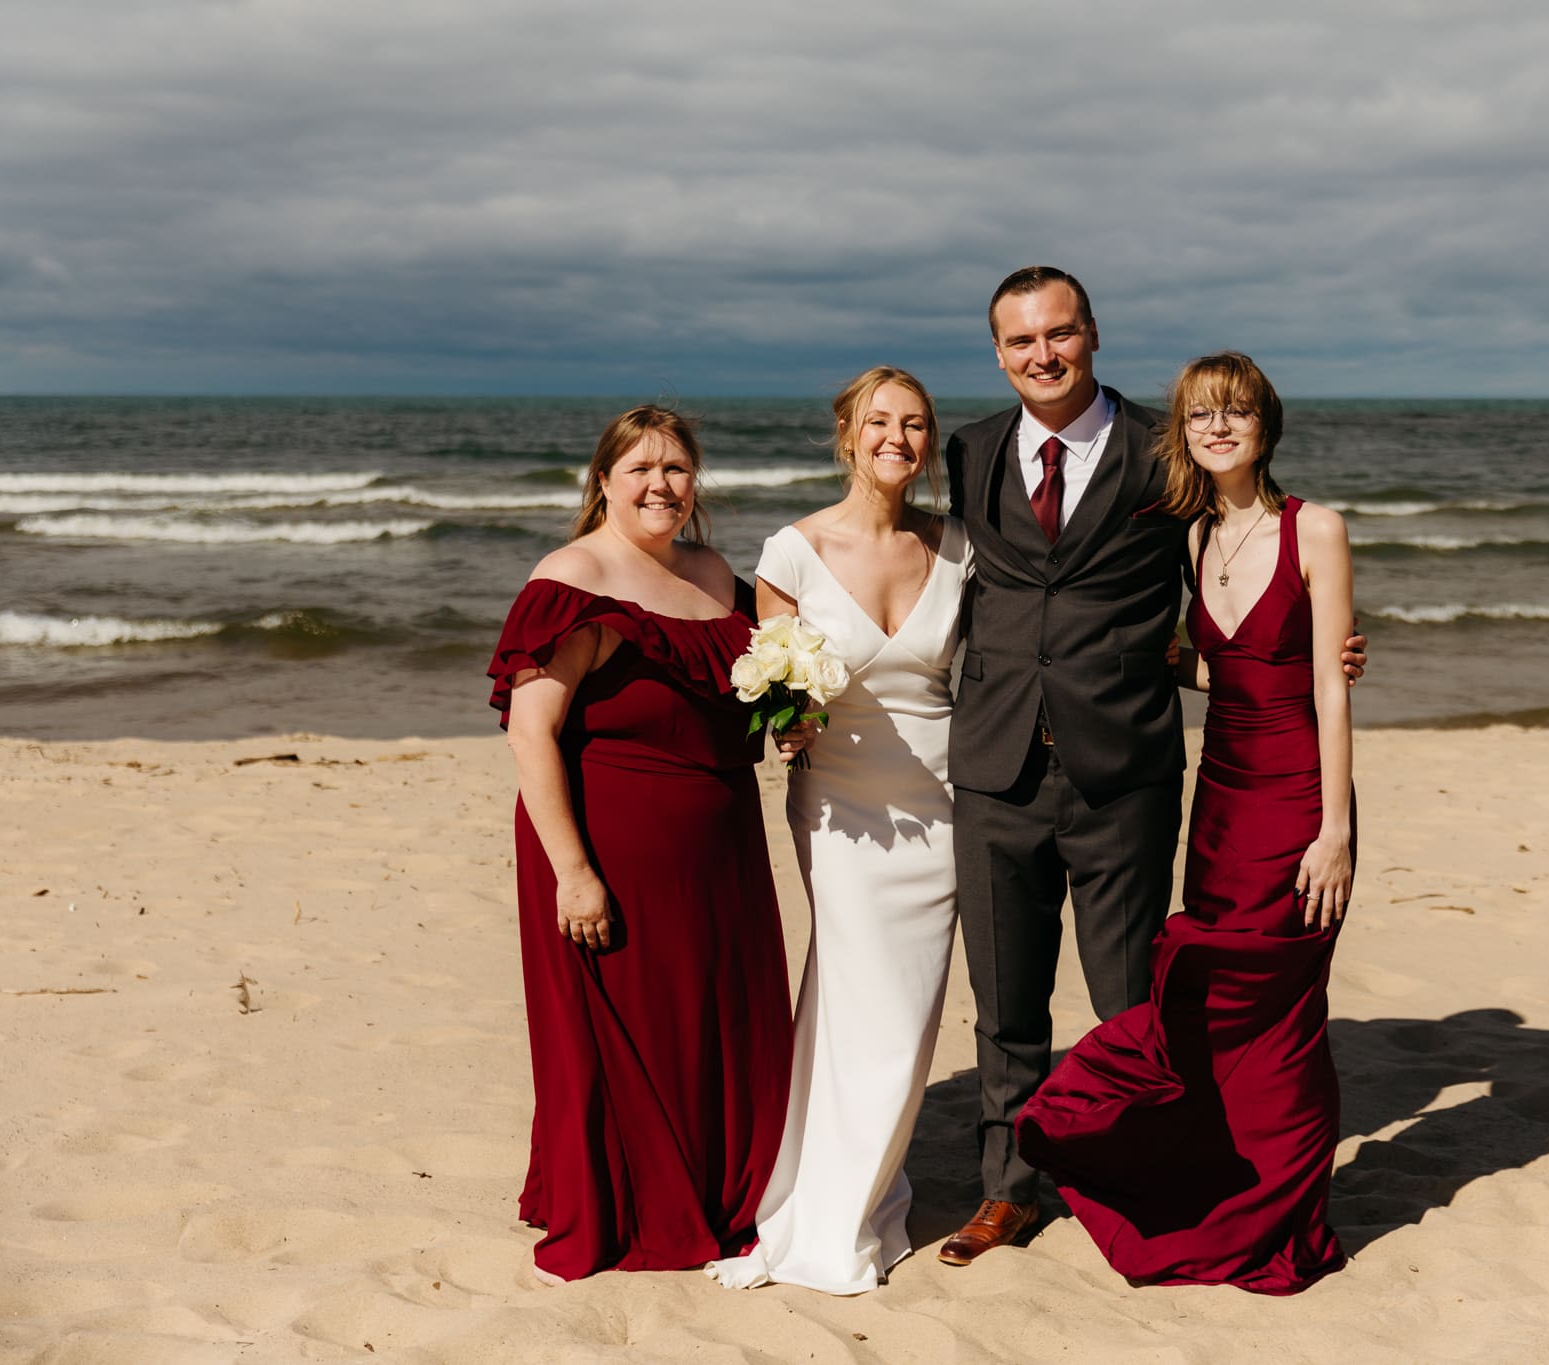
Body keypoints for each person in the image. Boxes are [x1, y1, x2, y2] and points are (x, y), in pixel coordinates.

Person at [938, 268, 1367, 1265]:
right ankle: (1007, 1191)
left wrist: (1317, 649)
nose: (1040, 354)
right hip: (993, 761)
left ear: (1090, 333)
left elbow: (1239, 565)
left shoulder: (1160, 453)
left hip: (1120, 769)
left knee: (1129, 994)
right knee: (1003, 999)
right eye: (1018, 341)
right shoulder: (966, 452)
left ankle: (1137, 1174)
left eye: (1057, 333)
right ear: (996, 353)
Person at [486, 405, 792, 1282]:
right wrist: (573, 872)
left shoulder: (714, 571)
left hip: (723, 843)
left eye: (678, 470)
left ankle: (725, 1189)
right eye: (642, 470)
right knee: (633, 1027)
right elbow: (530, 733)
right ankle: (637, 1204)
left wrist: (791, 721)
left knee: (717, 1020)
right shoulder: (573, 576)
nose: (662, 485)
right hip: (610, 843)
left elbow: (737, 695)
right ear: (604, 482)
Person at [706, 367, 971, 1294]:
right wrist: (789, 722)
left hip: (941, 803)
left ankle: (862, 1188)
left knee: (908, 1013)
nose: (897, 438)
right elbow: (775, 694)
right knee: (858, 996)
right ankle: (828, 1209)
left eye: (915, 424)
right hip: (841, 806)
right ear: (847, 433)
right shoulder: (792, 550)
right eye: (880, 422)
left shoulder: (957, 547)